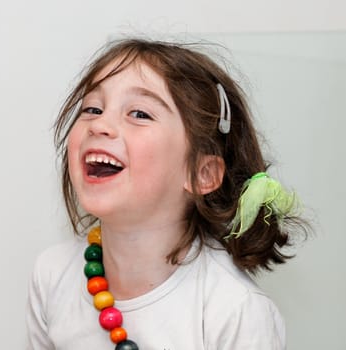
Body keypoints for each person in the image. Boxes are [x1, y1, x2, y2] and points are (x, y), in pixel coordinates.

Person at [26, 38, 306, 350]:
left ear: (202, 174)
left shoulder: (235, 311)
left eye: (139, 114)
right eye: (92, 108)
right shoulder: (52, 275)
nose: (100, 124)